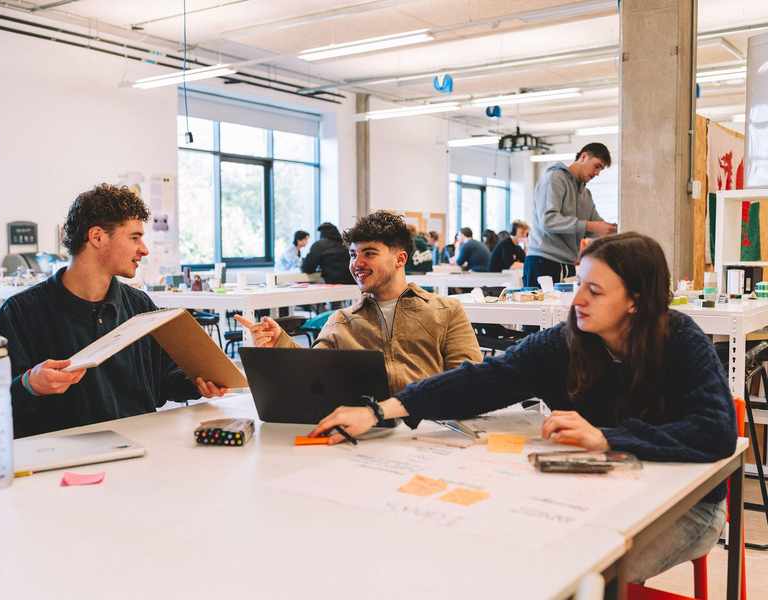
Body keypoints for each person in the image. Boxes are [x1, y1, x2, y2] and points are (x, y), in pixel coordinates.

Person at [313, 232, 736, 584]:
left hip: (686, 505)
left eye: (595, 290)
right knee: (503, 555)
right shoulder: (568, 341)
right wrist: (381, 410)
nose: (578, 301)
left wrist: (607, 436)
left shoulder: (679, 339)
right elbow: (483, 380)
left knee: (581, 573)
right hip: (595, 489)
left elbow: (716, 432)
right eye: (578, 285)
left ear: (636, 302)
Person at [0, 184, 226, 438]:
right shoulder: (21, 313)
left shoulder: (139, 306)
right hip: (64, 461)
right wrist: (29, 384)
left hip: (141, 449)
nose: (144, 249)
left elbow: (164, 381)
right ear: (97, 237)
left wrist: (202, 382)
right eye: (134, 237)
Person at [236, 211, 482, 395]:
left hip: (428, 430)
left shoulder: (446, 311)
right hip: (362, 431)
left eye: (369, 253)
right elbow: (310, 376)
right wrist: (280, 341)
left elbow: (469, 385)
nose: (357, 263)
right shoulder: (342, 321)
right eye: (353, 254)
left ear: (400, 259)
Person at [525, 143, 617, 288]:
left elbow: (596, 226)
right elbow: (548, 221)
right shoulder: (554, 178)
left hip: (568, 265)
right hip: (543, 262)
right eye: (597, 166)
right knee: (542, 309)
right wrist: (589, 225)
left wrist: (616, 230)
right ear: (584, 156)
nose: (597, 173)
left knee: (567, 310)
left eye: (601, 169)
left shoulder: (585, 194)